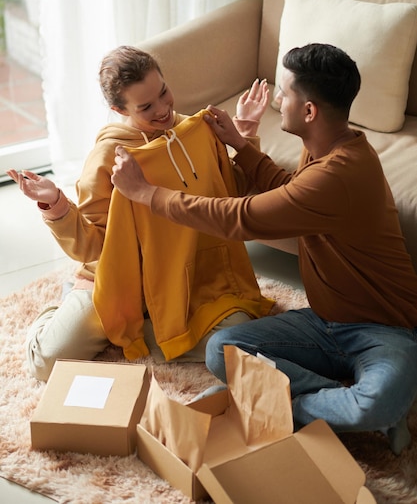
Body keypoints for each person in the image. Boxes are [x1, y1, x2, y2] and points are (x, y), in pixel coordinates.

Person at [110, 43, 417, 456]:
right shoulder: (327, 143)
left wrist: (146, 193)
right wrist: (241, 143)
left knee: (375, 403)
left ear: (309, 111)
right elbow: (291, 190)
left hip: (385, 328)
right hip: (325, 323)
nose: (275, 100)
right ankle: (337, 401)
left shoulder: (341, 174)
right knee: (224, 350)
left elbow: (239, 218)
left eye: (284, 93)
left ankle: (295, 407)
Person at [7, 45, 272, 381]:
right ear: (119, 109)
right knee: (46, 362)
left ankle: (131, 334)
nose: (162, 109)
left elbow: (228, 197)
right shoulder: (107, 158)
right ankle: (75, 309)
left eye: (164, 93)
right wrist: (56, 205)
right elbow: (94, 247)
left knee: (236, 339)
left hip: (185, 276)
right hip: (123, 280)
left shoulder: (195, 132)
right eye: (146, 106)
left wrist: (245, 129)